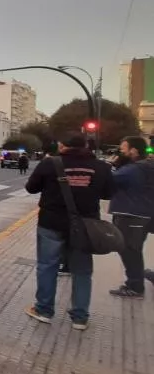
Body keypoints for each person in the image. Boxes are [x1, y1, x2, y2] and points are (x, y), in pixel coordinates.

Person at [24, 133, 113, 330]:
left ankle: (44, 310)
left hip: (52, 223)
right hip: (85, 226)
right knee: (82, 271)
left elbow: (31, 188)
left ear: (62, 145)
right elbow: (108, 193)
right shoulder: (101, 167)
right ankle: (80, 317)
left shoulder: (50, 164)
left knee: (48, 266)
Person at [107, 136, 154, 299]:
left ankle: (135, 286)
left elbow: (109, 181)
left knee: (130, 251)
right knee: (134, 248)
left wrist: (111, 165)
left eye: (123, 150)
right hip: (143, 214)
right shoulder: (145, 165)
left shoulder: (134, 169)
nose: (120, 152)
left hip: (131, 215)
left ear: (133, 151)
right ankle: (139, 278)